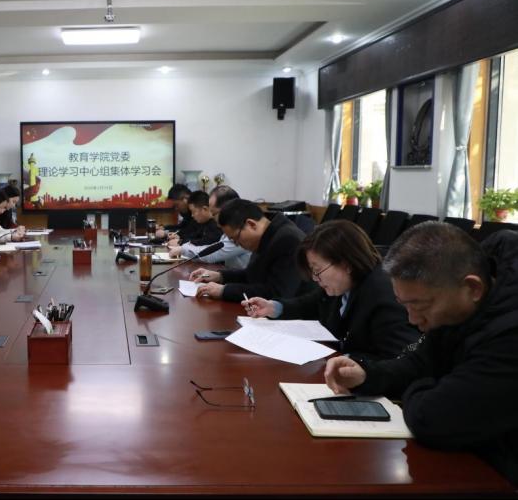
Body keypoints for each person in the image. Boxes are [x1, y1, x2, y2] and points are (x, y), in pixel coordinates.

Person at [324, 224, 518, 484]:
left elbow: (431, 419)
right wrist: (368, 374)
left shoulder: (509, 337)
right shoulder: (458, 304)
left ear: (473, 288)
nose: (412, 320)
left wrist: (427, 385)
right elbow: (419, 362)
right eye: (404, 305)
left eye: (420, 306)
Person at [242, 220, 419, 360]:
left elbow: (401, 359)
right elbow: (311, 304)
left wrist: (351, 361)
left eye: (317, 270)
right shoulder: (344, 285)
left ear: (346, 264)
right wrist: (274, 308)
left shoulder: (383, 296)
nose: (314, 278)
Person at [190, 200, 306, 302]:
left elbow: (276, 293)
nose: (236, 243)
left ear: (251, 224)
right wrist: (220, 276)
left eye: (236, 238)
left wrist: (224, 291)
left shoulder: (288, 240)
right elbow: (252, 275)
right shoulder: (268, 233)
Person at [168, 186, 251, 268]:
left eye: (214, 214)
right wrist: (219, 275)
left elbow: (213, 255)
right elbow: (212, 248)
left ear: (228, 209)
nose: (212, 217)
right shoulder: (232, 229)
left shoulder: (243, 231)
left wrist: (183, 249)